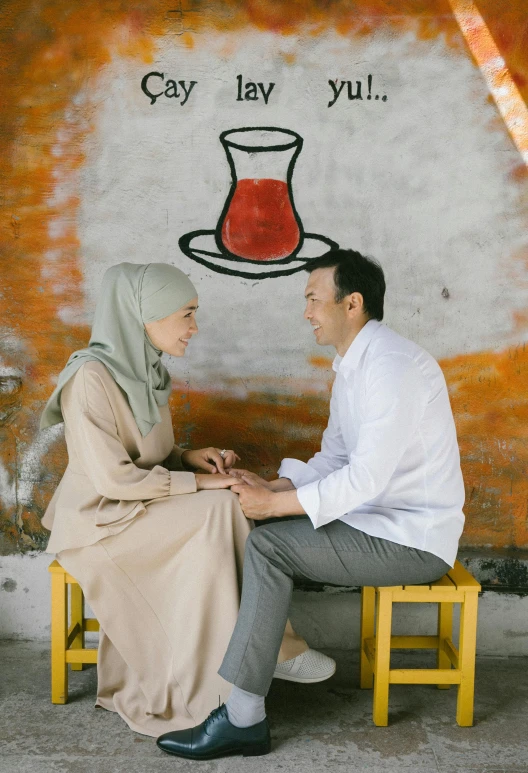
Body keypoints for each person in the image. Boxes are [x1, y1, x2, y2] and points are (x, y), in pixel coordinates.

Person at [156, 248, 465, 759]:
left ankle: (243, 717)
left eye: (313, 299)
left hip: (411, 539)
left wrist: (274, 509)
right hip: (378, 524)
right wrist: (273, 486)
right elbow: (337, 457)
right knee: (257, 529)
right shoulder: (355, 364)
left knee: (269, 546)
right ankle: (254, 667)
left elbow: (364, 478)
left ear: (352, 304)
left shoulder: (392, 367)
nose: (306, 312)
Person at [40, 262, 334, 738]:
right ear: (144, 317)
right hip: (99, 525)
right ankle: (267, 654)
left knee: (229, 502)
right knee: (221, 504)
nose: (194, 328)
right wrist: (201, 485)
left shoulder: (146, 371)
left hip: (135, 510)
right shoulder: (89, 379)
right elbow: (114, 477)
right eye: (187, 314)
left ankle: (264, 652)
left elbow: (147, 454)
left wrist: (188, 456)